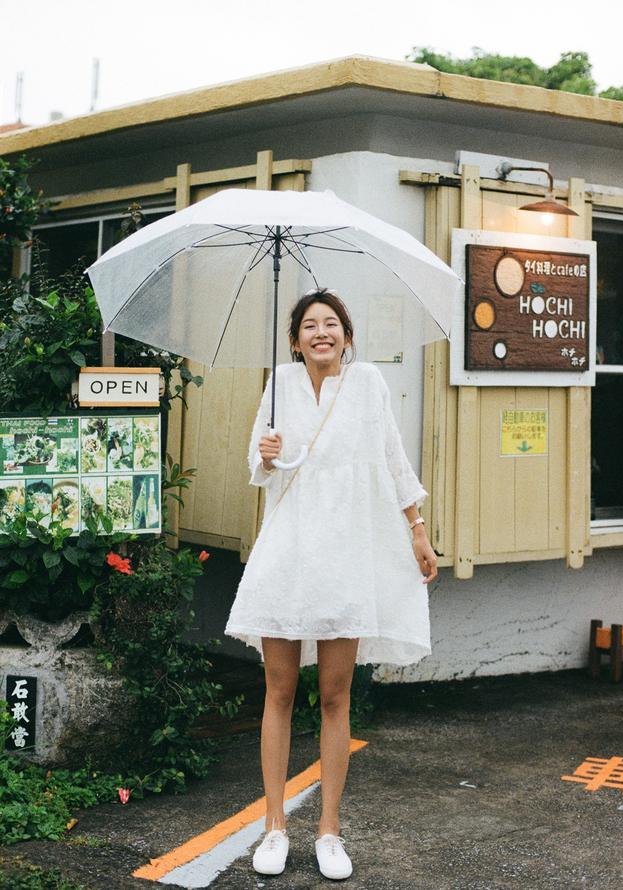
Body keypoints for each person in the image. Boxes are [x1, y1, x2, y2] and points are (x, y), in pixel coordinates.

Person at [224, 288, 438, 880]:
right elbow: (257, 469)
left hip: (346, 555)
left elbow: (393, 460)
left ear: (347, 335)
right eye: (310, 326)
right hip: (288, 553)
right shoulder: (280, 386)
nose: (322, 333)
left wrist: (417, 530)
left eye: (332, 324)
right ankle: (274, 827)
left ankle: (329, 829)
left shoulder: (367, 383)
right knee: (279, 692)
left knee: (337, 695)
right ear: (294, 340)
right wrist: (266, 455)